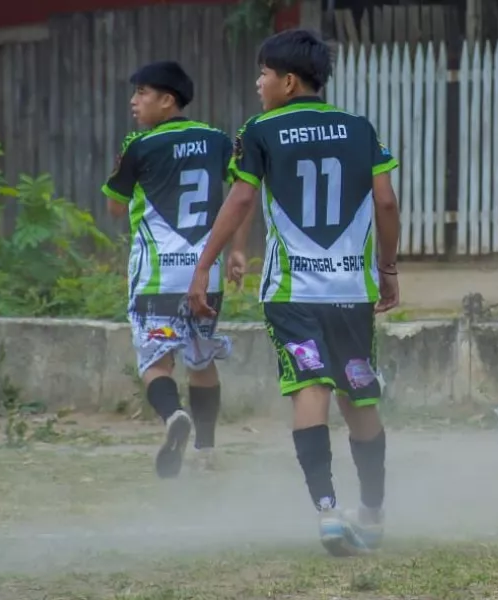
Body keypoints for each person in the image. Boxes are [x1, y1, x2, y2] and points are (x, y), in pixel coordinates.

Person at [185, 29, 401, 557]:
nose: (257, 85)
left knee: (310, 388)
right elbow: (387, 202)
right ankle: (371, 516)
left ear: (286, 80)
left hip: (292, 292)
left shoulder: (260, 130)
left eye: (262, 74)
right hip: (351, 290)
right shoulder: (359, 127)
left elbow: (240, 201)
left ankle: (327, 513)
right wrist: (388, 269)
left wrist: (203, 265)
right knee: (358, 392)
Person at [102, 60, 247, 479]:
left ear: (168, 101)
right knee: (201, 359)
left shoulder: (139, 146)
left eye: (142, 93)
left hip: (157, 275)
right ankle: (205, 449)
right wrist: (237, 250)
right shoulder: (218, 140)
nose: (133, 101)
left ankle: (173, 417)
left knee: (156, 362)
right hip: (207, 273)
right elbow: (243, 194)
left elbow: (115, 206)